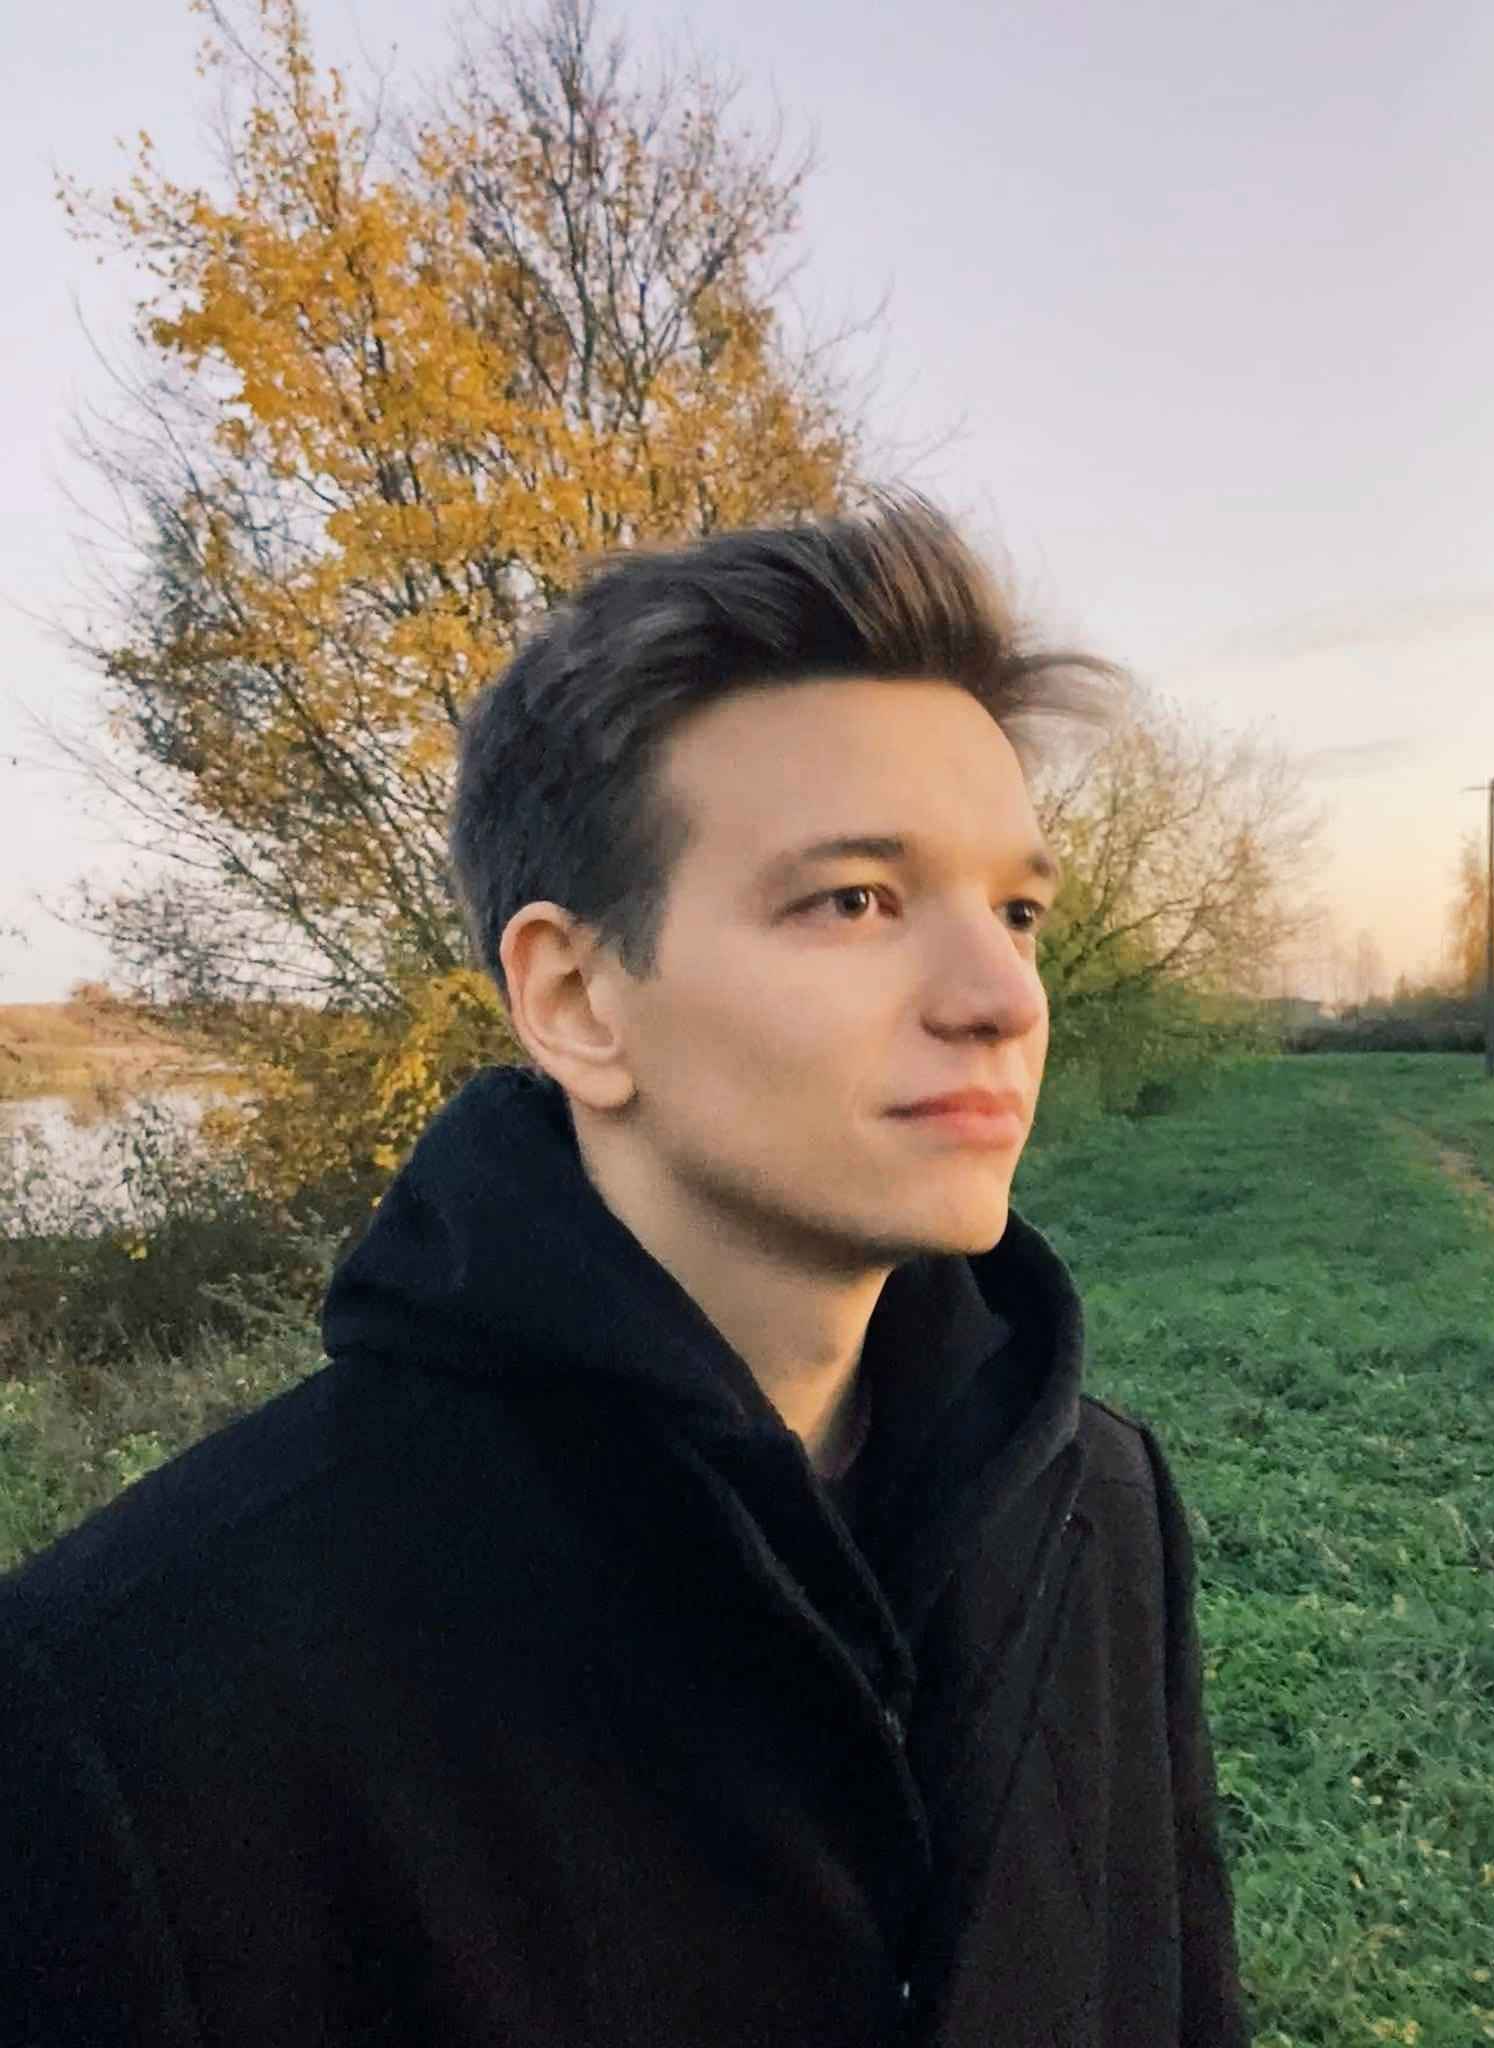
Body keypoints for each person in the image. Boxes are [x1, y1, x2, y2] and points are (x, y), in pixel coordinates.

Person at [1, 492, 1253, 2046]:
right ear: (577, 1000)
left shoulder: (1097, 1507)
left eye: (1017, 909)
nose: (1002, 994)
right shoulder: (128, 1703)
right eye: (855, 899)